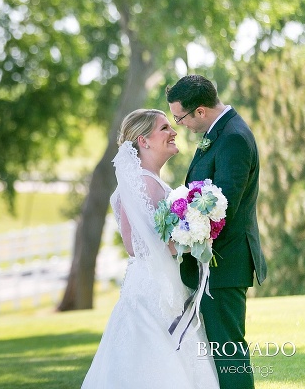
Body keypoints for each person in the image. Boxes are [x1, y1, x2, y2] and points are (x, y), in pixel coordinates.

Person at [82, 109, 218, 389]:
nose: (173, 132)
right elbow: (137, 246)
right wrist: (190, 235)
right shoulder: (144, 183)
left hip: (153, 283)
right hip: (154, 291)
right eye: (164, 128)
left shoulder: (148, 182)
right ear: (143, 141)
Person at [166, 75, 267, 389]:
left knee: (229, 353)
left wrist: (181, 235)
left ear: (200, 111)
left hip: (225, 263)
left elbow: (223, 207)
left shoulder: (233, 137)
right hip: (214, 264)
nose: (179, 124)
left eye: (180, 117)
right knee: (220, 352)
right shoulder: (219, 133)